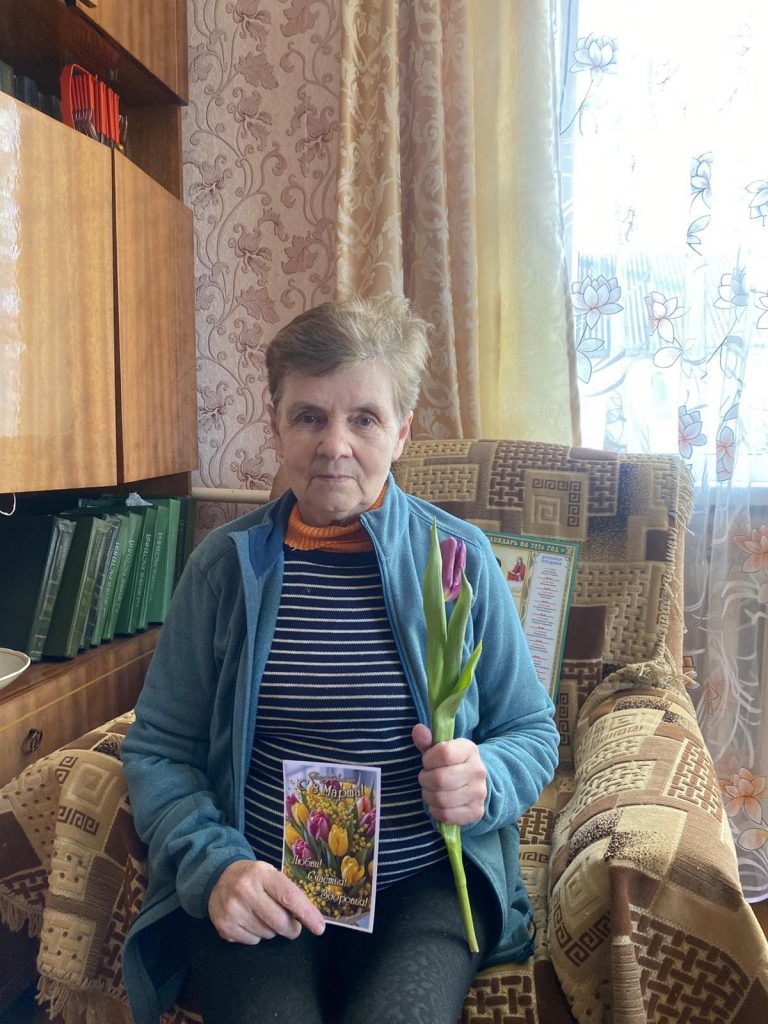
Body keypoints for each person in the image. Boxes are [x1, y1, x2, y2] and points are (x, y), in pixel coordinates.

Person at [121, 295, 559, 1024]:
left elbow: (532, 730)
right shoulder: (223, 569)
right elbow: (159, 748)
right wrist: (217, 865)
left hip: (424, 885)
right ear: (276, 425)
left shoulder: (458, 561)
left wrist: (488, 777)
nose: (334, 445)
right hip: (266, 879)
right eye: (309, 417)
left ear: (402, 431)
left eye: (364, 419)